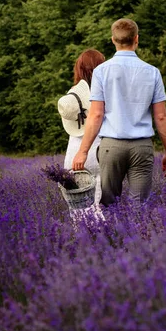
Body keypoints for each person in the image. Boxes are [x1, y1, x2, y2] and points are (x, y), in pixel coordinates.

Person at [72, 18, 166, 206]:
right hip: (142, 147)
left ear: (113, 40)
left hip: (111, 147)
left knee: (109, 206)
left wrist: (82, 151)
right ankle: (136, 235)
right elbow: (161, 116)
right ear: (136, 39)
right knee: (139, 206)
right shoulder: (152, 72)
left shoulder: (101, 72)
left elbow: (96, 115)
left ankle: (111, 236)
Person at [57, 49, 105, 212]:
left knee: (77, 204)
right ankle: (101, 236)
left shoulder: (73, 95)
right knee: (99, 204)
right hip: (97, 149)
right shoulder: (104, 93)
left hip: (73, 153)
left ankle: (82, 235)